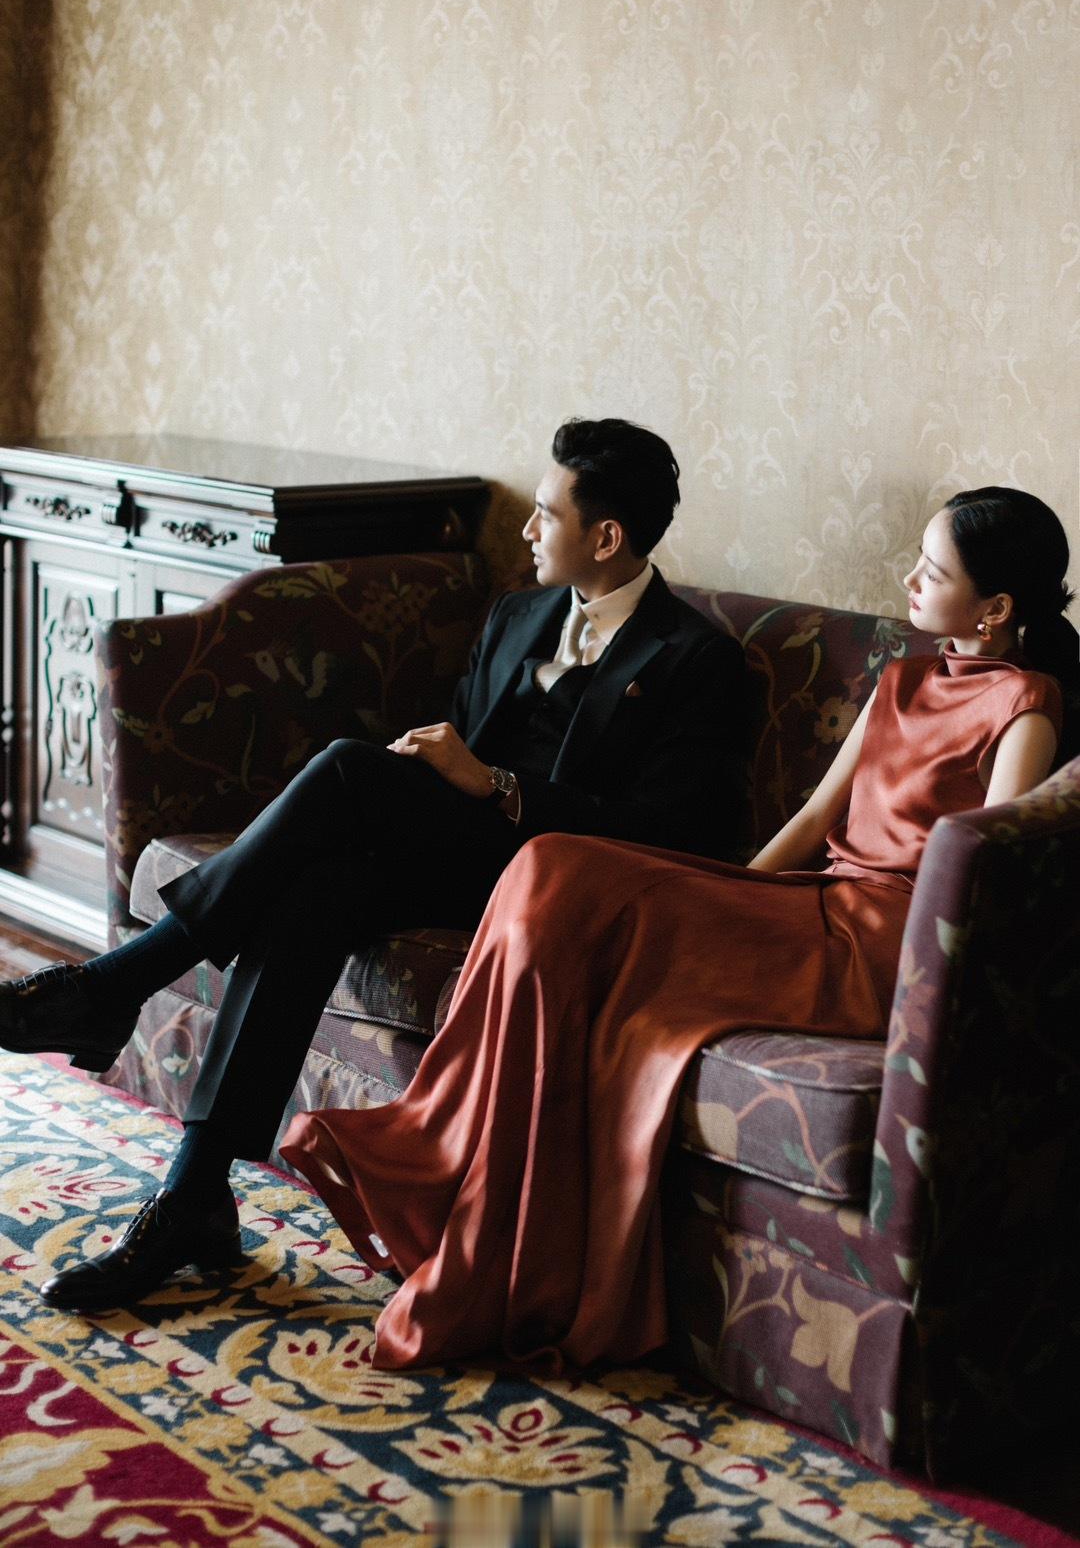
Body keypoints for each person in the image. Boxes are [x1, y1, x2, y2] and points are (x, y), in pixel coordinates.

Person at [271, 485, 1076, 1373]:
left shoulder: (1027, 705)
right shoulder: (903, 679)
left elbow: (988, 872)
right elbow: (815, 819)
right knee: (548, 866)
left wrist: (809, 930)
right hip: (813, 903)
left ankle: (454, 1193)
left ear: (996, 608)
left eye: (933, 569)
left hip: (883, 946)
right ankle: (436, 1156)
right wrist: (729, 893)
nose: (910, 579)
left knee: (569, 889)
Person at [0, 417, 748, 1309]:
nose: (526, 528)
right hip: (463, 859)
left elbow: (666, 834)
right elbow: (461, 750)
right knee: (315, 887)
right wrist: (433, 775)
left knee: (345, 770)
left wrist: (498, 786)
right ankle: (194, 1191)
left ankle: (117, 984)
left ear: (607, 536)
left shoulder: (698, 661)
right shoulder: (516, 615)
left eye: (547, 513)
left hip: (562, 883)